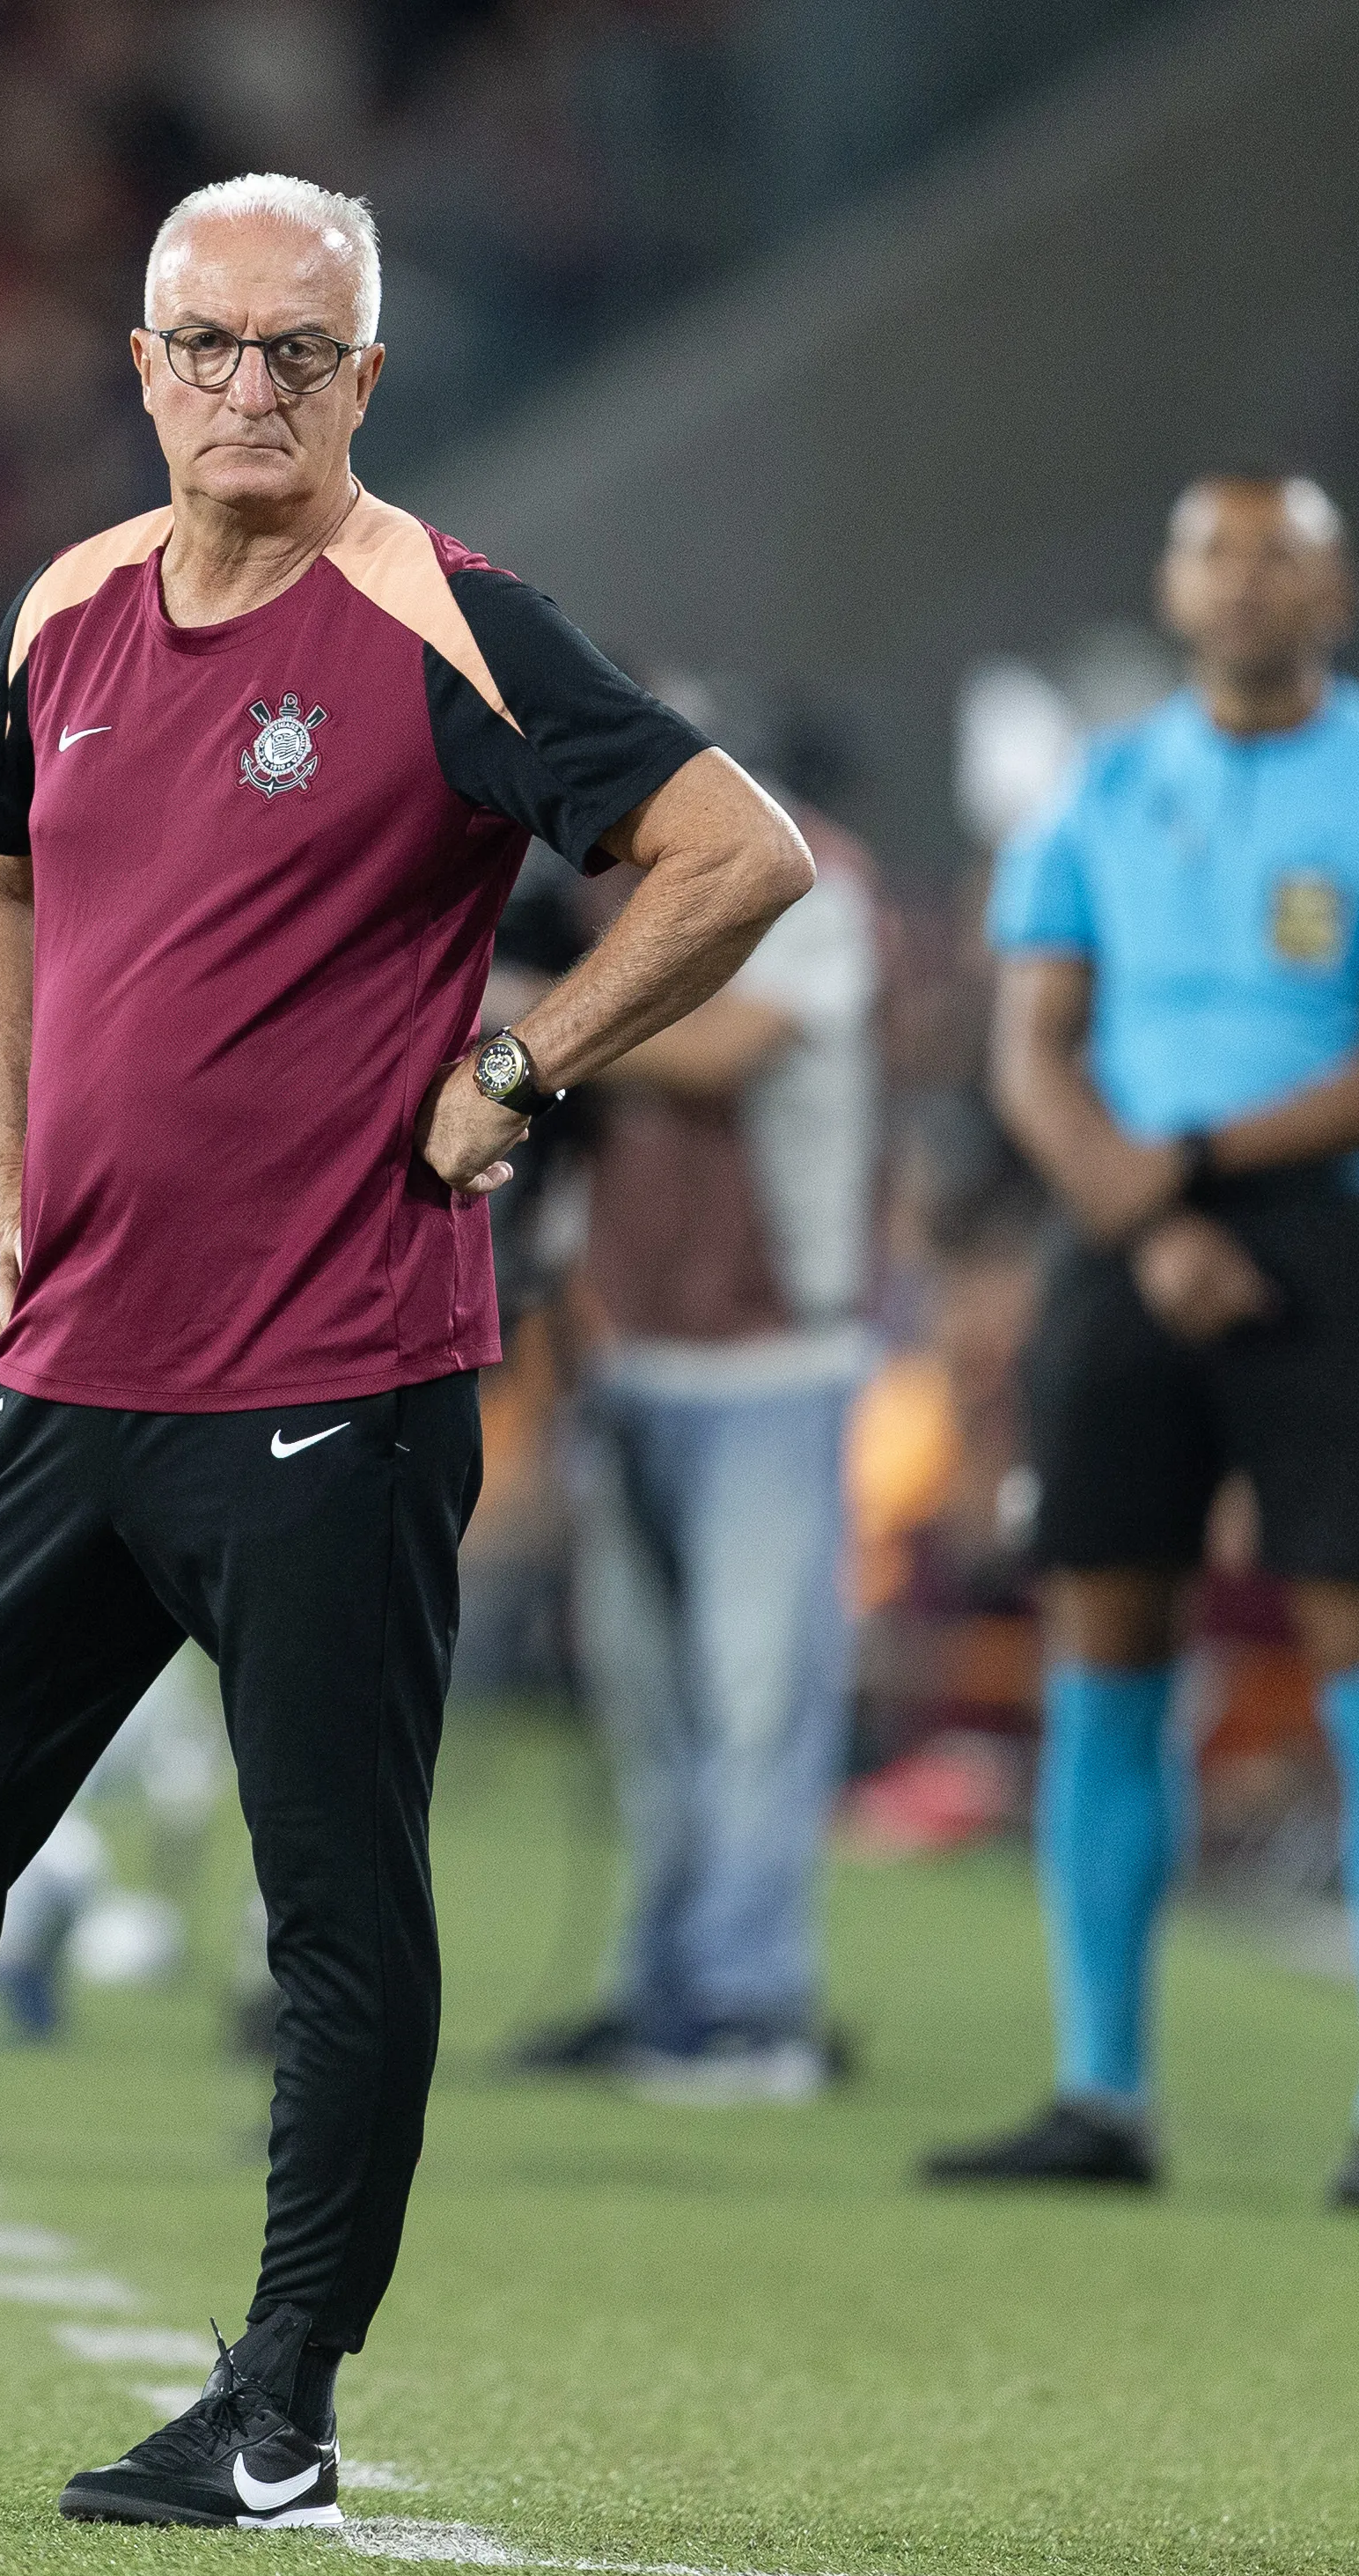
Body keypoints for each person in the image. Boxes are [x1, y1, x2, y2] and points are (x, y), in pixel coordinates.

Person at [0, 173, 812, 2525]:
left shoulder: (450, 619)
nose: (252, 389)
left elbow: (736, 854)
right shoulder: (66, 606)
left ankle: (279, 2405)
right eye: (211, 347)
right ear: (139, 365)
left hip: (334, 1372)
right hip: (72, 1363)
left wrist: (525, 1067)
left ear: (366, 377)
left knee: (331, 1895)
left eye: (299, 354)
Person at [928, 470, 1359, 2217]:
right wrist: (1147, 1219)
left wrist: (1192, 1175)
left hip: (1315, 1238)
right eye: (1210, 552)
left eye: (1277, 554)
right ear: (1171, 589)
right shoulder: (1098, 790)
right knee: (1103, 1634)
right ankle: (1101, 2088)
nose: (1241, 581)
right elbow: (1032, 1048)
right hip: (1123, 1240)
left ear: (1333, 590)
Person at [514, 806, 877, 2104]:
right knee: (652, 1710)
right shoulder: (603, 906)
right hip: (633, 1356)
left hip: (772, 1359)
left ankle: (752, 2003)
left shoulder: (815, 884)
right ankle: (664, 1983)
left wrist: (536, 1029)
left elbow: (727, 1043)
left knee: (756, 1697)